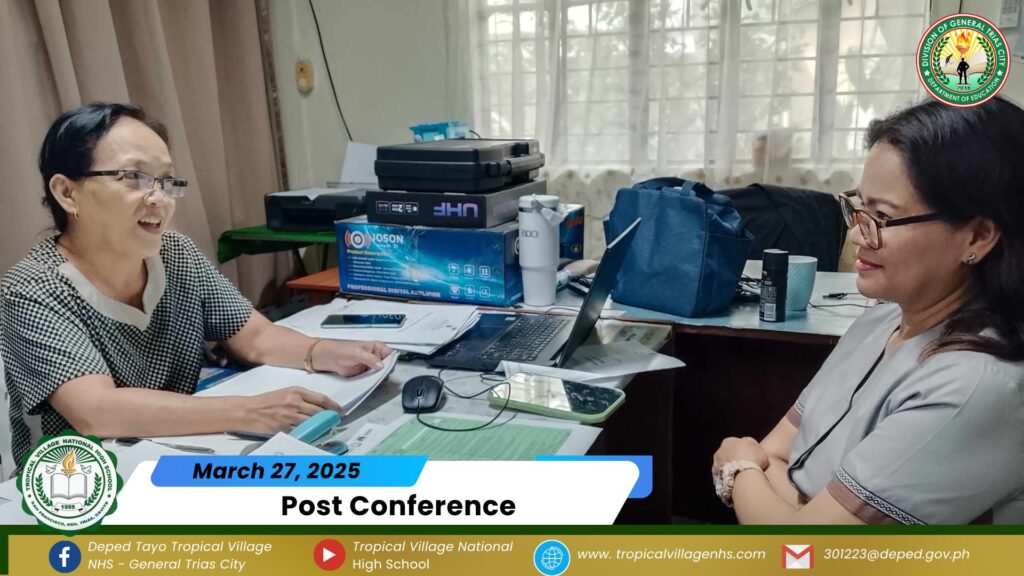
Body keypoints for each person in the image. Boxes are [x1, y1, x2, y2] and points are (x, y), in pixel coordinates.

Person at [1, 103, 392, 467]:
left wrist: (322, 351)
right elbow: (96, 411)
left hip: (177, 449)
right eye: (134, 177)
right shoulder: (32, 288)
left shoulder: (175, 254)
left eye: (166, 180)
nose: (159, 198)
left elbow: (255, 337)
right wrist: (250, 410)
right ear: (67, 192)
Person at [712, 96, 1024, 524]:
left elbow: (799, 550)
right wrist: (786, 499)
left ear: (977, 236)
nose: (858, 235)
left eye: (882, 217)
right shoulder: (881, 319)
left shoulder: (975, 385)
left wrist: (739, 469)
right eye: (858, 209)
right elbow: (778, 453)